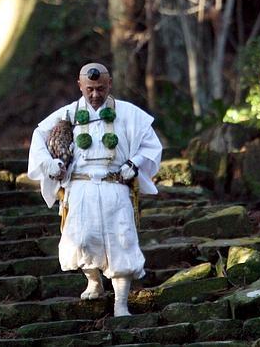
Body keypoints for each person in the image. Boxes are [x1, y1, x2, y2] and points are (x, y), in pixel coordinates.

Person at [28, 62, 162, 317]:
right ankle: (94, 280)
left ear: (109, 84)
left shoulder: (130, 114)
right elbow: (39, 140)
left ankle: (120, 303)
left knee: (121, 241)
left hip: (115, 187)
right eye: (89, 89)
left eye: (101, 88)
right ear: (80, 85)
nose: (95, 94)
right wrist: (51, 164)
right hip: (80, 188)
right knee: (80, 239)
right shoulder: (66, 115)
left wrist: (134, 164)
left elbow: (151, 146)